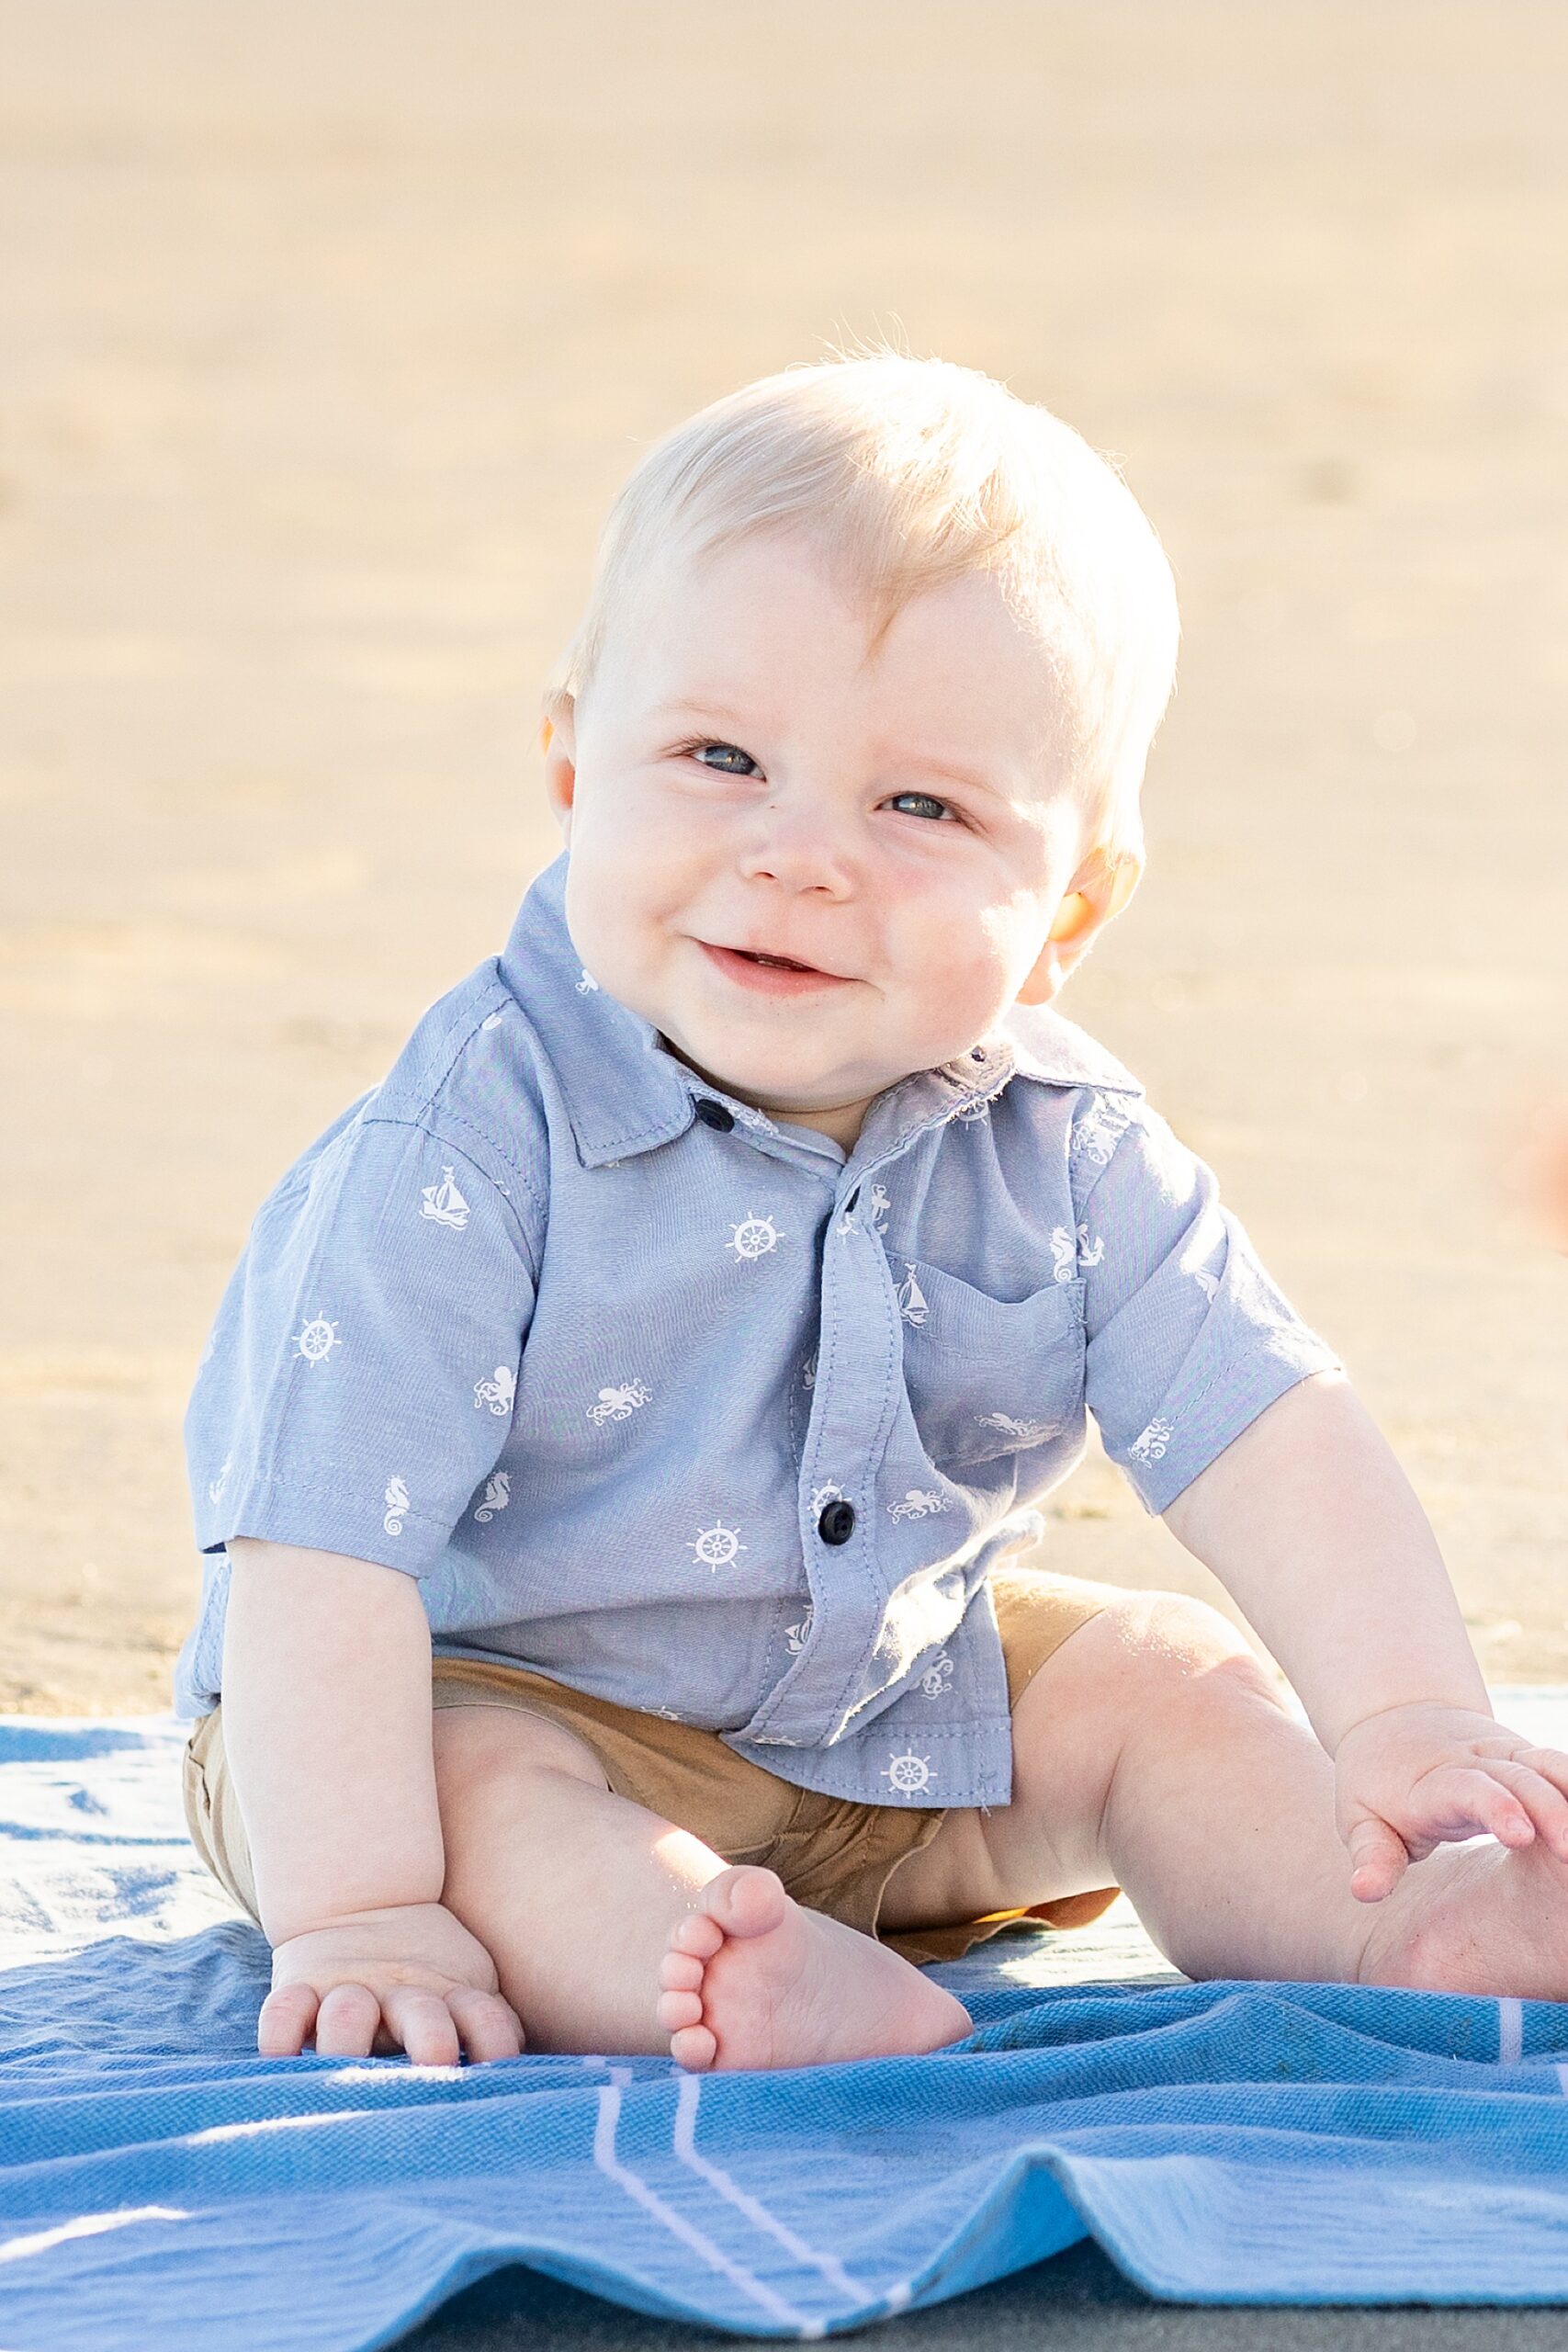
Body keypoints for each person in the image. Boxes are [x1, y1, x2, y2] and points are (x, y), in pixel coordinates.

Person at [176, 346, 1568, 2074]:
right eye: (718, 756)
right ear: (567, 769)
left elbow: (1270, 1426)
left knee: (1165, 1678)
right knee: (480, 1801)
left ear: (1072, 911)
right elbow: (318, 1563)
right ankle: (707, 1974)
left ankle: (1401, 1929)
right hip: (473, 1711)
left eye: (922, 806)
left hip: (894, 1731)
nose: (801, 853)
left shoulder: (1065, 1144)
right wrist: (363, 1912)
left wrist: (1409, 1713)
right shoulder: (463, 1151)